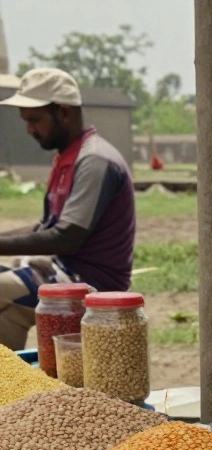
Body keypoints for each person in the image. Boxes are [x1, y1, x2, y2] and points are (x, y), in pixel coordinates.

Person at [0, 68, 136, 350]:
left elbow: (67, 238)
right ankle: (7, 387)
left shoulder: (95, 161)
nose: (29, 129)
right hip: (61, 270)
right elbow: (45, 228)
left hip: (88, 282)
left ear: (64, 113)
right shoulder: (69, 158)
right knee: (8, 313)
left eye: (35, 120)